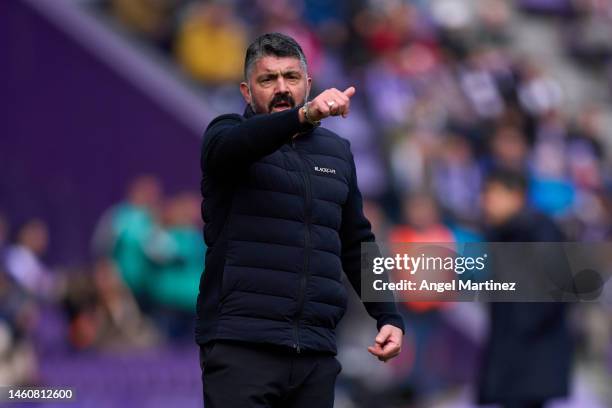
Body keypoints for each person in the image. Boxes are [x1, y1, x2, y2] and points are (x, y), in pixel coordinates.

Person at [196, 32, 405, 407]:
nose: (281, 88)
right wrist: (304, 116)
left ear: (307, 85)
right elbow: (239, 145)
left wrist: (388, 314)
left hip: (315, 352)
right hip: (241, 345)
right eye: (267, 79)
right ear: (246, 91)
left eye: (291, 78)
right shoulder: (225, 135)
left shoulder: (337, 153)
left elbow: (357, 242)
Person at [477, 169, 573, 408]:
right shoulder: (501, 234)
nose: (485, 203)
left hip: (531, 358)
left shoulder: (540, 233)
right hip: (511, 356)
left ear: (516, 196)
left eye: (493, 195)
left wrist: (524, 325)